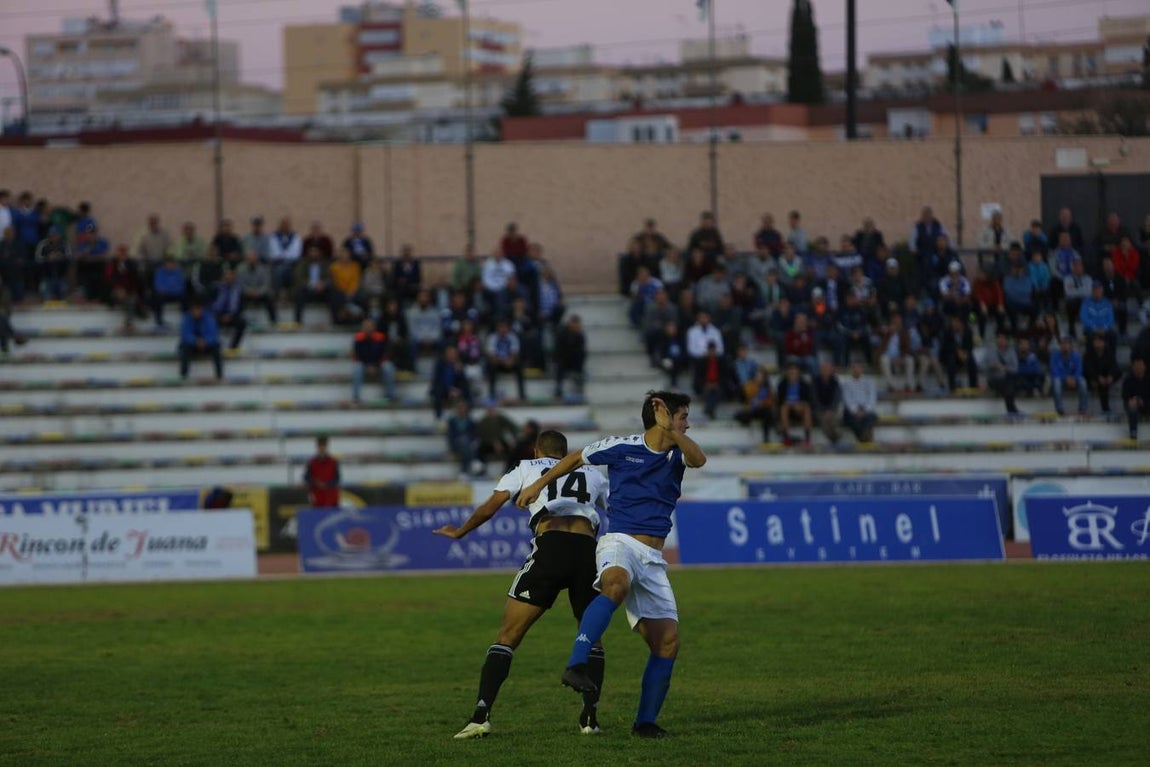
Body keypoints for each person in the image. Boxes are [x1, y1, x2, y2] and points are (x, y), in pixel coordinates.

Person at [517, 391, 706, 739]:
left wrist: (672, 430)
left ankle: (645, 723)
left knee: (667, 642)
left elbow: (699, 460)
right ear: (662, 416)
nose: (688, 424)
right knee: (615, 584)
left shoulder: (679, 451)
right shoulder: (622, 447)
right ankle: (576, 663)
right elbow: (576, 458)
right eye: (682, 417)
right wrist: (539, 485)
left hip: (653, 559)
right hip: (620, 542)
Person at [435, 429, 611, 739]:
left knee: (508, 635)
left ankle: (481, 716)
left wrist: (460, 531)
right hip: (588, 551)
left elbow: (490, 506)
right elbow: (618, 510)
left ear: (536, 451)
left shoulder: (526, 467)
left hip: (551, 547)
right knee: (591, 637)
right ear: (564, 452)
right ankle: (590, 719)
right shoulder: (592, 472)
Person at [351, 318, 397, 403]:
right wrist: (368, 366)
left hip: (378, 364)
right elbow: (357, 355)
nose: (368, 328)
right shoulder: (358, 338)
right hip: (364, 365)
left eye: (370, 326)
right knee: (357, 368)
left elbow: (385, 354)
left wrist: (376, 366)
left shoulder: (380, 337)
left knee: (388, 367)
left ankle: (390, 395)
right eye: (366, 326)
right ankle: (356, 397)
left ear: (374, 327)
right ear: (362, 328)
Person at [178, 303, 222, 380]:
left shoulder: (209, 318)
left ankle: (219, 375)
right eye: (194, 311)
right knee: (184, 347)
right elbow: (185, 335)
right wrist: (196, 341)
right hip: (192, 345)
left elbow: (213, 334)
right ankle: (183, 376)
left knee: (216, 347)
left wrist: (205, 341)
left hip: (207, 344)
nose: (196, 313)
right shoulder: (187, 318)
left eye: (198, 310)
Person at [1049, 336, 1088, 416]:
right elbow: (1054, 371)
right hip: (1061, 379)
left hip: (1074, 379)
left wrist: (1074, 378)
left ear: (1070, 345)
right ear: (1060, 346)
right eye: (1062, 344)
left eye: (1066, 344)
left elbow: (1079, 370)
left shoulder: (1077, 355)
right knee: (1056, 382)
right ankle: (1059, 409)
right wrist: (1066, 378)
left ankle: (1082, 409)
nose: (1064, 346)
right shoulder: (1055, 355)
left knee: (1083, 382)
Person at [840, 362, 877, 442]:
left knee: (871, 417)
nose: (857, 370)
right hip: (852, 410)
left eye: (858, 368)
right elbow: (847, 400)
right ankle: (864, 438)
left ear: (862, 369)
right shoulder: (847, 383)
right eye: (855, 368)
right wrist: (856, 411)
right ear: (852, 370)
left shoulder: (869, 382)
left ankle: (863, 438)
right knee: (852, 419)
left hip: (866, 409)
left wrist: (865, 410)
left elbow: (872, 398)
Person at [210, 268, 247, 349]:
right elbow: (211, 304)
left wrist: (230, 316)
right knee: (210, 321)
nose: (229, 278)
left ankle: (233, 347)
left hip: (232, 315)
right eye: (227, 276)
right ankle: (214, 345)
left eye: (232, 276)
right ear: (223, 277)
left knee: (242, 323)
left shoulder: (239, 290)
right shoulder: (216, 289)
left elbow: (240, 307)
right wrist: (220, 316)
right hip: (218, 315)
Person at [986, 332, 1022, 415]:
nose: (1001, 341)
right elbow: (985, 366)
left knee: (1009, 384)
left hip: (1008, 378)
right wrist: (993, 366)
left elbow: (1015, 369)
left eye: (1003, 339)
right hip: (995, 379)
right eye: (999, 339)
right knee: (1008, 386)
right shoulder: (991, 352)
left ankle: (1011, 410)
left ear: (1006, 341)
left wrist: (1005, 368)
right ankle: (1012, 410)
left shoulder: (1011, 352)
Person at [1082, 332, 1118, 414]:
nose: (1097, 343)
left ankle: (1105, 409)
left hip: (1104, 378)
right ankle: (1104, 409)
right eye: (1095, 341)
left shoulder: (1109, 353)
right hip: (1091, 378)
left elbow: (1115, 367)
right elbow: (1087, 369)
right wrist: (1097, 378)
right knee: (1098, 383)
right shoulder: (1088, 353)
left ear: (1104, 343)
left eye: (1099, 341)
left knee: (1105, 383)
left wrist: (1111, 376)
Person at [554, 314, 586, 400]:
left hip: (574, 361)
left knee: (580, 367)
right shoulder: (562, 334)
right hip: (563, 360)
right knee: (560, 367)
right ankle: (558, 389)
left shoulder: (580, 336)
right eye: (574, 323)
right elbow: (559, 349)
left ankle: (579, 390)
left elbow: (581, 351)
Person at [446, 399, 481, 477]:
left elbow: (474, 434)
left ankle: (463, 471)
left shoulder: (470, 421)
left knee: (466, 447)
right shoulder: (452, 421)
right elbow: (451, 435)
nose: (461, 409)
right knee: (464, 441)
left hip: (468, 444)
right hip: (456, 443)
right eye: (460, 408)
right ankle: (474, 461)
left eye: (463, 408)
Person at [811, 361, 843, 445]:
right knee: (824, 419)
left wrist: (830, 410)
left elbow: (837, 398)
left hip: (832, 410)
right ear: (820, 370)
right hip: (819, 410)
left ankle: (835, 439)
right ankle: (835, 439)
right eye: (823, 369)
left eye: (827, 369)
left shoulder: (835, 382)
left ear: (831, 370)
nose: (825, 371)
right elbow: (814, 399)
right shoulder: (815, 381)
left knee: (834, 419)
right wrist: (824, 410)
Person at [303, 435, 340, 507]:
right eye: (320, 446)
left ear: (326, 447)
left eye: (323, 446)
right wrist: (316, 483)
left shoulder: (333, 462)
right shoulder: (312, 462)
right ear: (317, 447)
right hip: (316, 497)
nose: (322, 448)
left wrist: (327, 484)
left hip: (331, 498)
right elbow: (307, 477)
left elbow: (337, 478)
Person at [1122, 358, 1150, 441]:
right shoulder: (1128, 380)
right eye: (1136, 366)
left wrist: (1143, 402)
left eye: (1140, 366)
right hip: (1133, 404)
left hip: (1146, 403)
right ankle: (1133, 434)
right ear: (1133, 368)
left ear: (1144, 367)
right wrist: (1133, 400)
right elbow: (1125, 397)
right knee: (1132, 408)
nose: (1139, 368)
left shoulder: (1148, 380)